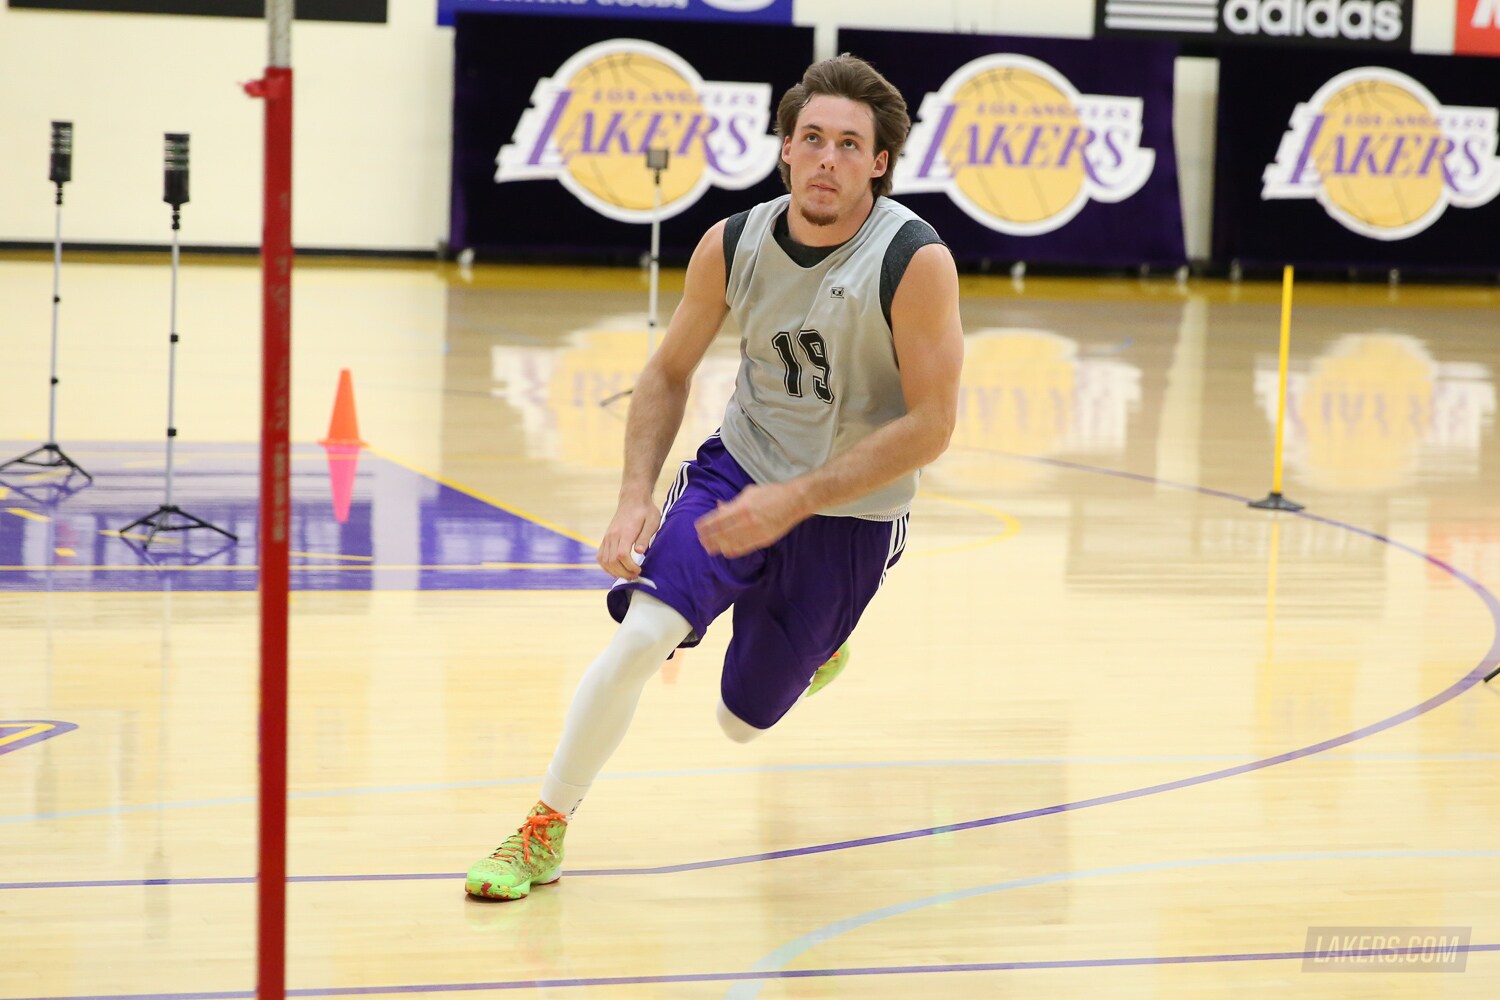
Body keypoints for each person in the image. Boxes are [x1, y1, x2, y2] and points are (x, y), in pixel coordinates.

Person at [466, 53, 964, 900]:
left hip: (849, 515)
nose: (827, 160)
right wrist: (631, 500)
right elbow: (665, 375)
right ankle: (544, 828)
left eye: (850, 145)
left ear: (879, 163)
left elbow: (934, 425)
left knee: (743, 720)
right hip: (739, 470)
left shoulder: (914, 262)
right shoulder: (731, 244)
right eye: (812, 139)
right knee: (640, 633)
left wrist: (799, 501)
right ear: (785, 149)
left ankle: (818, 644)